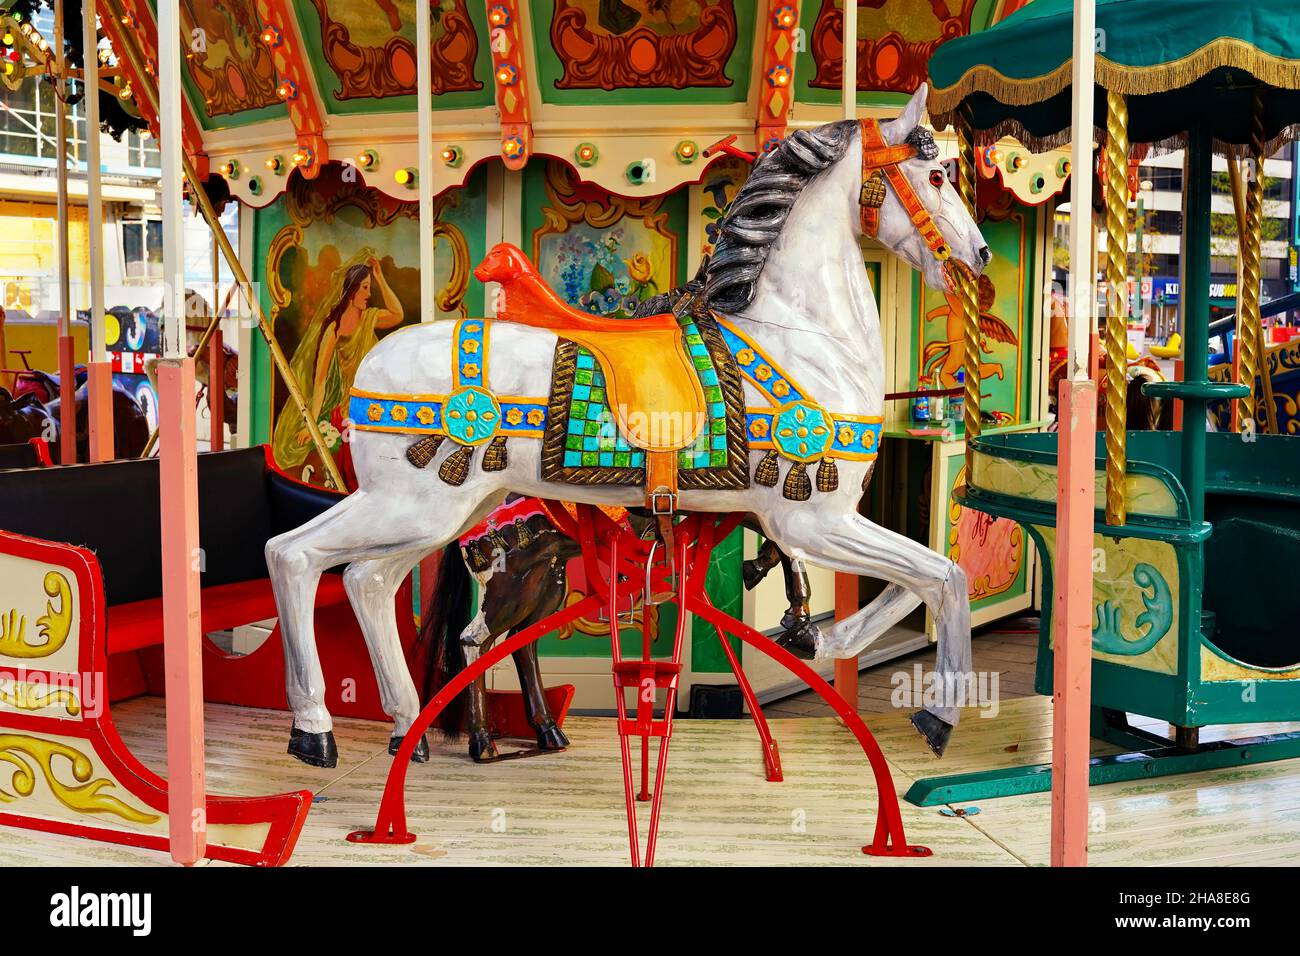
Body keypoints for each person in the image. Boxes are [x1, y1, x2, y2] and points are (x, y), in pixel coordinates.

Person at [272, 250, 404, 482]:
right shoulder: (333, 330)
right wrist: (310, 425)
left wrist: (380, 277)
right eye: (364, 287)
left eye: (369, 287)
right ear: (351, 290)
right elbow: (320, 381)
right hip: (347, 406)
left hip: (373, 398)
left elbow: (397, 314)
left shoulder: (369, 317)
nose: (369, 293)